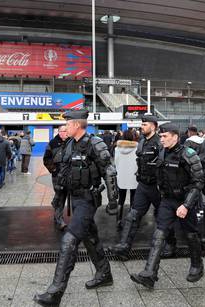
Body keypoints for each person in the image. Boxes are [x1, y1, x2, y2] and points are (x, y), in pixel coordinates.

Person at [34, 110, 118, 307]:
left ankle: (55, 292)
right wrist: (59, 194)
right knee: (90, 237)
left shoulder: (95, 143)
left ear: (77, 125)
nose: (65, 127)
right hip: (75, 197)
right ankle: (104, 273)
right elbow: (63, 168)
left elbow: (110, 170)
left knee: (69, 240)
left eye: (68, 124)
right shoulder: (70, 144)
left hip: (88, 199)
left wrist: (113, 200)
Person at [129, 123, 205, 289]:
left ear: (175, 137)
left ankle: (197, 266)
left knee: (191, 234)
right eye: (161, 136)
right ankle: (149, 274)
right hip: (167, 201)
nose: (161, 139)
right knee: (159, 234)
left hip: (186, 202)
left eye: (165, 136)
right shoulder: (162, 152)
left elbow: (198, 182)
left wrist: (186, 205)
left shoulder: (188, 154)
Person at [110, 115, 165, 260]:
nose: (142, 126)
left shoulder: (159, 143)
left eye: (145, 124)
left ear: (153, 126)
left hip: (156, 187)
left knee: (163, 216)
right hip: (142, 184)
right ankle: (124, 247)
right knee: (133, 216)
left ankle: (170, 245)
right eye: (142, 124)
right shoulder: (141, 142)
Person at [43, 125, 69, 230]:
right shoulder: (52, 143)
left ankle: (56, 214)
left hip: (69, 174)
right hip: (57, 174)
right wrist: (53, 169)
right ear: (59, 132)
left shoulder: (71, 142)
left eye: (67, 131)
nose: (66, 133)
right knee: (60, 195)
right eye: (64, 131)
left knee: (65, 195)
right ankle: (59, 220)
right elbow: (46, 158)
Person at [113, 130, 138, 229]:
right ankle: (131, 221)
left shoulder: (117, 149)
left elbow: (116, 162)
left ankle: (118, 221)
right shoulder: (137, 148)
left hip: (121, 176)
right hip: (133, 176)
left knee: (121, 200)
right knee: (133, 200)